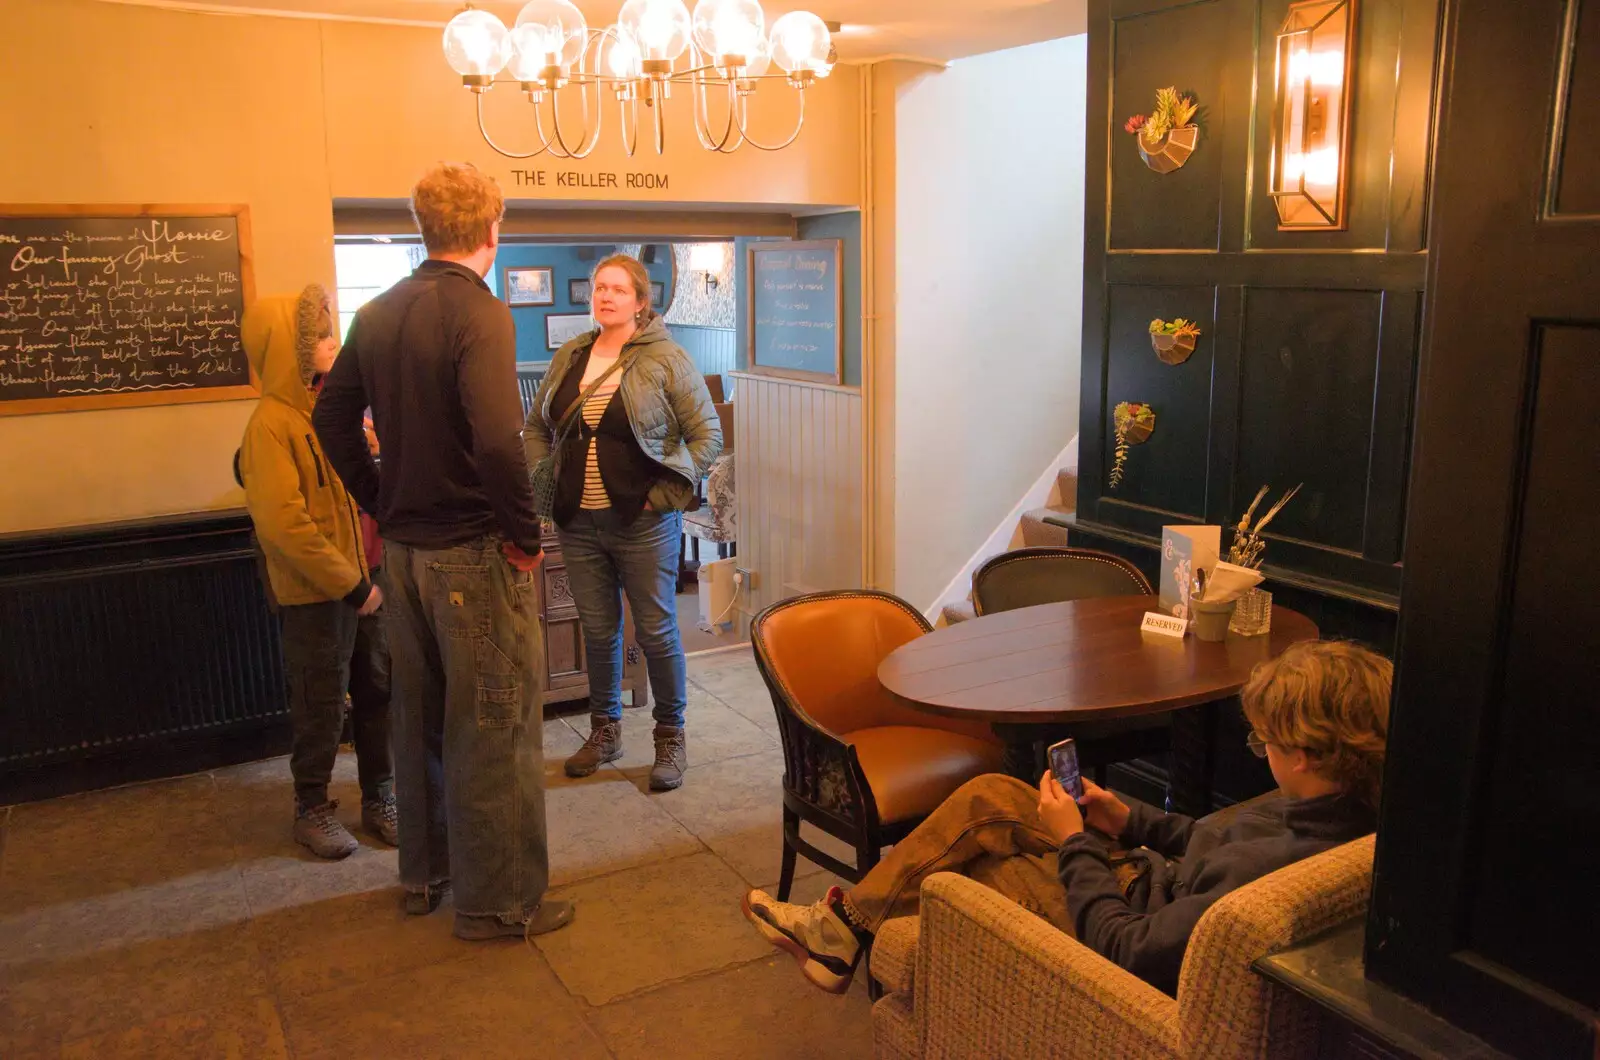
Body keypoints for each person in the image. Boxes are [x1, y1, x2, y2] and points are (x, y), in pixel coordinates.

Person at [742, 639, 1391, 996]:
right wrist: (1124, 815)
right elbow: (1209, 839)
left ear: (1302, 754)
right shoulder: (1339, 806)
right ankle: (842, 930)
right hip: (1141, 875)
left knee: (975, 859)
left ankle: (844, 932)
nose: (1260, 752)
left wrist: (1076, 843)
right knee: (992, 791)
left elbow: (1128, 948)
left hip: (1119, 917)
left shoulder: (1262, 876)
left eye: (1264, 743)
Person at [312, 161, 571, 941]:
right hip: (469, 551)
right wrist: (526, 537)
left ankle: (427, 876)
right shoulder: (482, 315)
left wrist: (380, 498)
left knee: (417, 718)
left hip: (404, 554)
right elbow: (498, 441)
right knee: (495, 726)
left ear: (425, 227)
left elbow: (330, 421)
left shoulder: (379, 311)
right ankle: (499, 904)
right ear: (494, 229)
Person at [524, 253, 721, 791]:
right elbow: (536, 425)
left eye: (617, 289)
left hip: (642, 523)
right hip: (578, 521)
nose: (605, 297)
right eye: (599, 289)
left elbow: (707, 438)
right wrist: (544, 473)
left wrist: (663, 496)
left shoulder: (666, 359)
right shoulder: (572, 354)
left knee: (657, 632)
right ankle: (605, 730)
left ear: (640, 300)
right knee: (598, 630)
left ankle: (669, 736)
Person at [238, 283, 395, 860]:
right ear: (290, 350)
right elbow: (286, 528)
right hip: (319, 596)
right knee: (320, 704)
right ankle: (312, 808)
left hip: (364, 582)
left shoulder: (328, 412)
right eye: (321, 335)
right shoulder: (270, 427)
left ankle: (381, 797)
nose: (334, 341)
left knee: (379, 694)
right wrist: (354, 586)